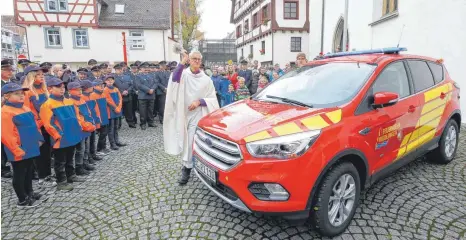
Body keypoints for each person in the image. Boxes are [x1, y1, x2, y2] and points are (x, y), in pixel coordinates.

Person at [163, 50, 219, 185]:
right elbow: (174, 80)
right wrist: (182, 61)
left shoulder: (206, 79)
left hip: (197, 114)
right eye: (194, 59)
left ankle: (187, 167)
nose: (197, 61)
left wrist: (199, 102)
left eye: (199, 59)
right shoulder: (183, 74)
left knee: (191, 142)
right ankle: (190, 164)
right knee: (182, 137)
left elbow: (213, 98)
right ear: (189, 60)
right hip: (182, 113)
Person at [40, 77, 95, 191]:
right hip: (60, 138)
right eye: (58, 87)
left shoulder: (68, 101)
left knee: (70, 157)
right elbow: (48, 124)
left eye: (63, 87)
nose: (62, 89)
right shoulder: (47, 104)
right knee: (60, 161)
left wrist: (77, 130)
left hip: (72, 135)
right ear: (50, 89)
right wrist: (58, 135)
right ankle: (61, 181)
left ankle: (71, 175)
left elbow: (75, 117)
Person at [1, 83, 45, 207]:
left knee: (29, 170)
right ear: (6, 96)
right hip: (19, 149)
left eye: (22, 93)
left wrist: (39, 138)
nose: (21, 96)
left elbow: (34, 125)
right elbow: (6, 135)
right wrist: (17, 150)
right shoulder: (5, 112)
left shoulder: (25, 108)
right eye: (17, 94)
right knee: (20, 173)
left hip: (30, 146)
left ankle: (29, 192)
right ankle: (22, 199)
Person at [21, 65, 56, 188]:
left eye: (43, 74)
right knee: (39, 152)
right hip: (37, 126)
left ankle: (47, 174)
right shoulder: (26, 91)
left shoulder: (43, 89)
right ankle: (41, 177)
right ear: (31, 76)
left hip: (46, 124)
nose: (42, 76)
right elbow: (26, 112)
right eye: (39, 74)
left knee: (47, 151)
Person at [68, 82, 96, 175]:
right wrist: (87, 126)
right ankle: (79, 167)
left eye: (80, 89)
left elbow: (87, 113)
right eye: (76, 90)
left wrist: (91, 123)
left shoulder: (82, 100)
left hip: (87, 127)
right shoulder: (70, 102)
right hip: (80, 128)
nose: (79, 91)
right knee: (80, 149)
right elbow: (77, 118)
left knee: (86, 147)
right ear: (70, 91)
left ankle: (85, 162)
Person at [80, 80, 103, 163]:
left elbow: (95, 108)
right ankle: (88, 157)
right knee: (87, 141)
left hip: (92, 120)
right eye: (91, 86)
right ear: (87, 88)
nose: (92, 88)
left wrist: (97, 119)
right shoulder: (82, 97)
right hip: (87, 122)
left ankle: (93, 154)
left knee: (93, 139)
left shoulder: (91, 96)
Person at [103, 74, 125, 150]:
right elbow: (108, 100)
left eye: (111, 80)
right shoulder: (105, 90)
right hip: (110, 112)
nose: (110, 81)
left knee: (116, 127)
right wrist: (116, 108)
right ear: (105, 81)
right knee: (111, 128)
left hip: (117, 111)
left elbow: (120, 98)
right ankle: (112, 144)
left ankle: (117, 141)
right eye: (108, 80)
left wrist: (119, 107)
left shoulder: (116, 89)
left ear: (114, 81)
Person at [1, 59, 16, 178]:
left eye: (11, 69)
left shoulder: (14, 82)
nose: (10, 71)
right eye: (6, 69)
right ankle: (3, 167)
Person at [90, 80, 110, 156]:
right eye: (99, 85)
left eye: (102, 85)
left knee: (105, 132)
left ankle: (103, 147)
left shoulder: (103, 94)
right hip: (99, 117)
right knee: (102, 133)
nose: (102, 87)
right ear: (94, 87)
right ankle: (99, 148)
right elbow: (94, 108)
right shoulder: (93, 95)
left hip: (104, 116)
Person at [134, 62, 157, 130]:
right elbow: (139, 85)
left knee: (150, 110)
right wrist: (148, 90)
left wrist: (152, 89)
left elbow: (156, 83)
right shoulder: (138, 76)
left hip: (151, 95)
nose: (146, 69)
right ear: (141, 68)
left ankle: (150, 122)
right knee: (142, 111)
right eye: (144, 68)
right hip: (143, 96)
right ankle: (143, 123)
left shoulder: (152, 75)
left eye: (147, 68)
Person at [114, 64, 135, 128]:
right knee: (119, 111)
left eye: (120, 69)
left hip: (127, 96)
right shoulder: (113, 78)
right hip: (118, 97)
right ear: (115, 70)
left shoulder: (127, 77)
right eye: (118, 70)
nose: (120, 71)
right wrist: (121, 92)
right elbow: (114, 87)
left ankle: (131, 123)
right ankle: (118, 124)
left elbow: (131, 85)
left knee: (129, 110)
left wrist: (127, 91)